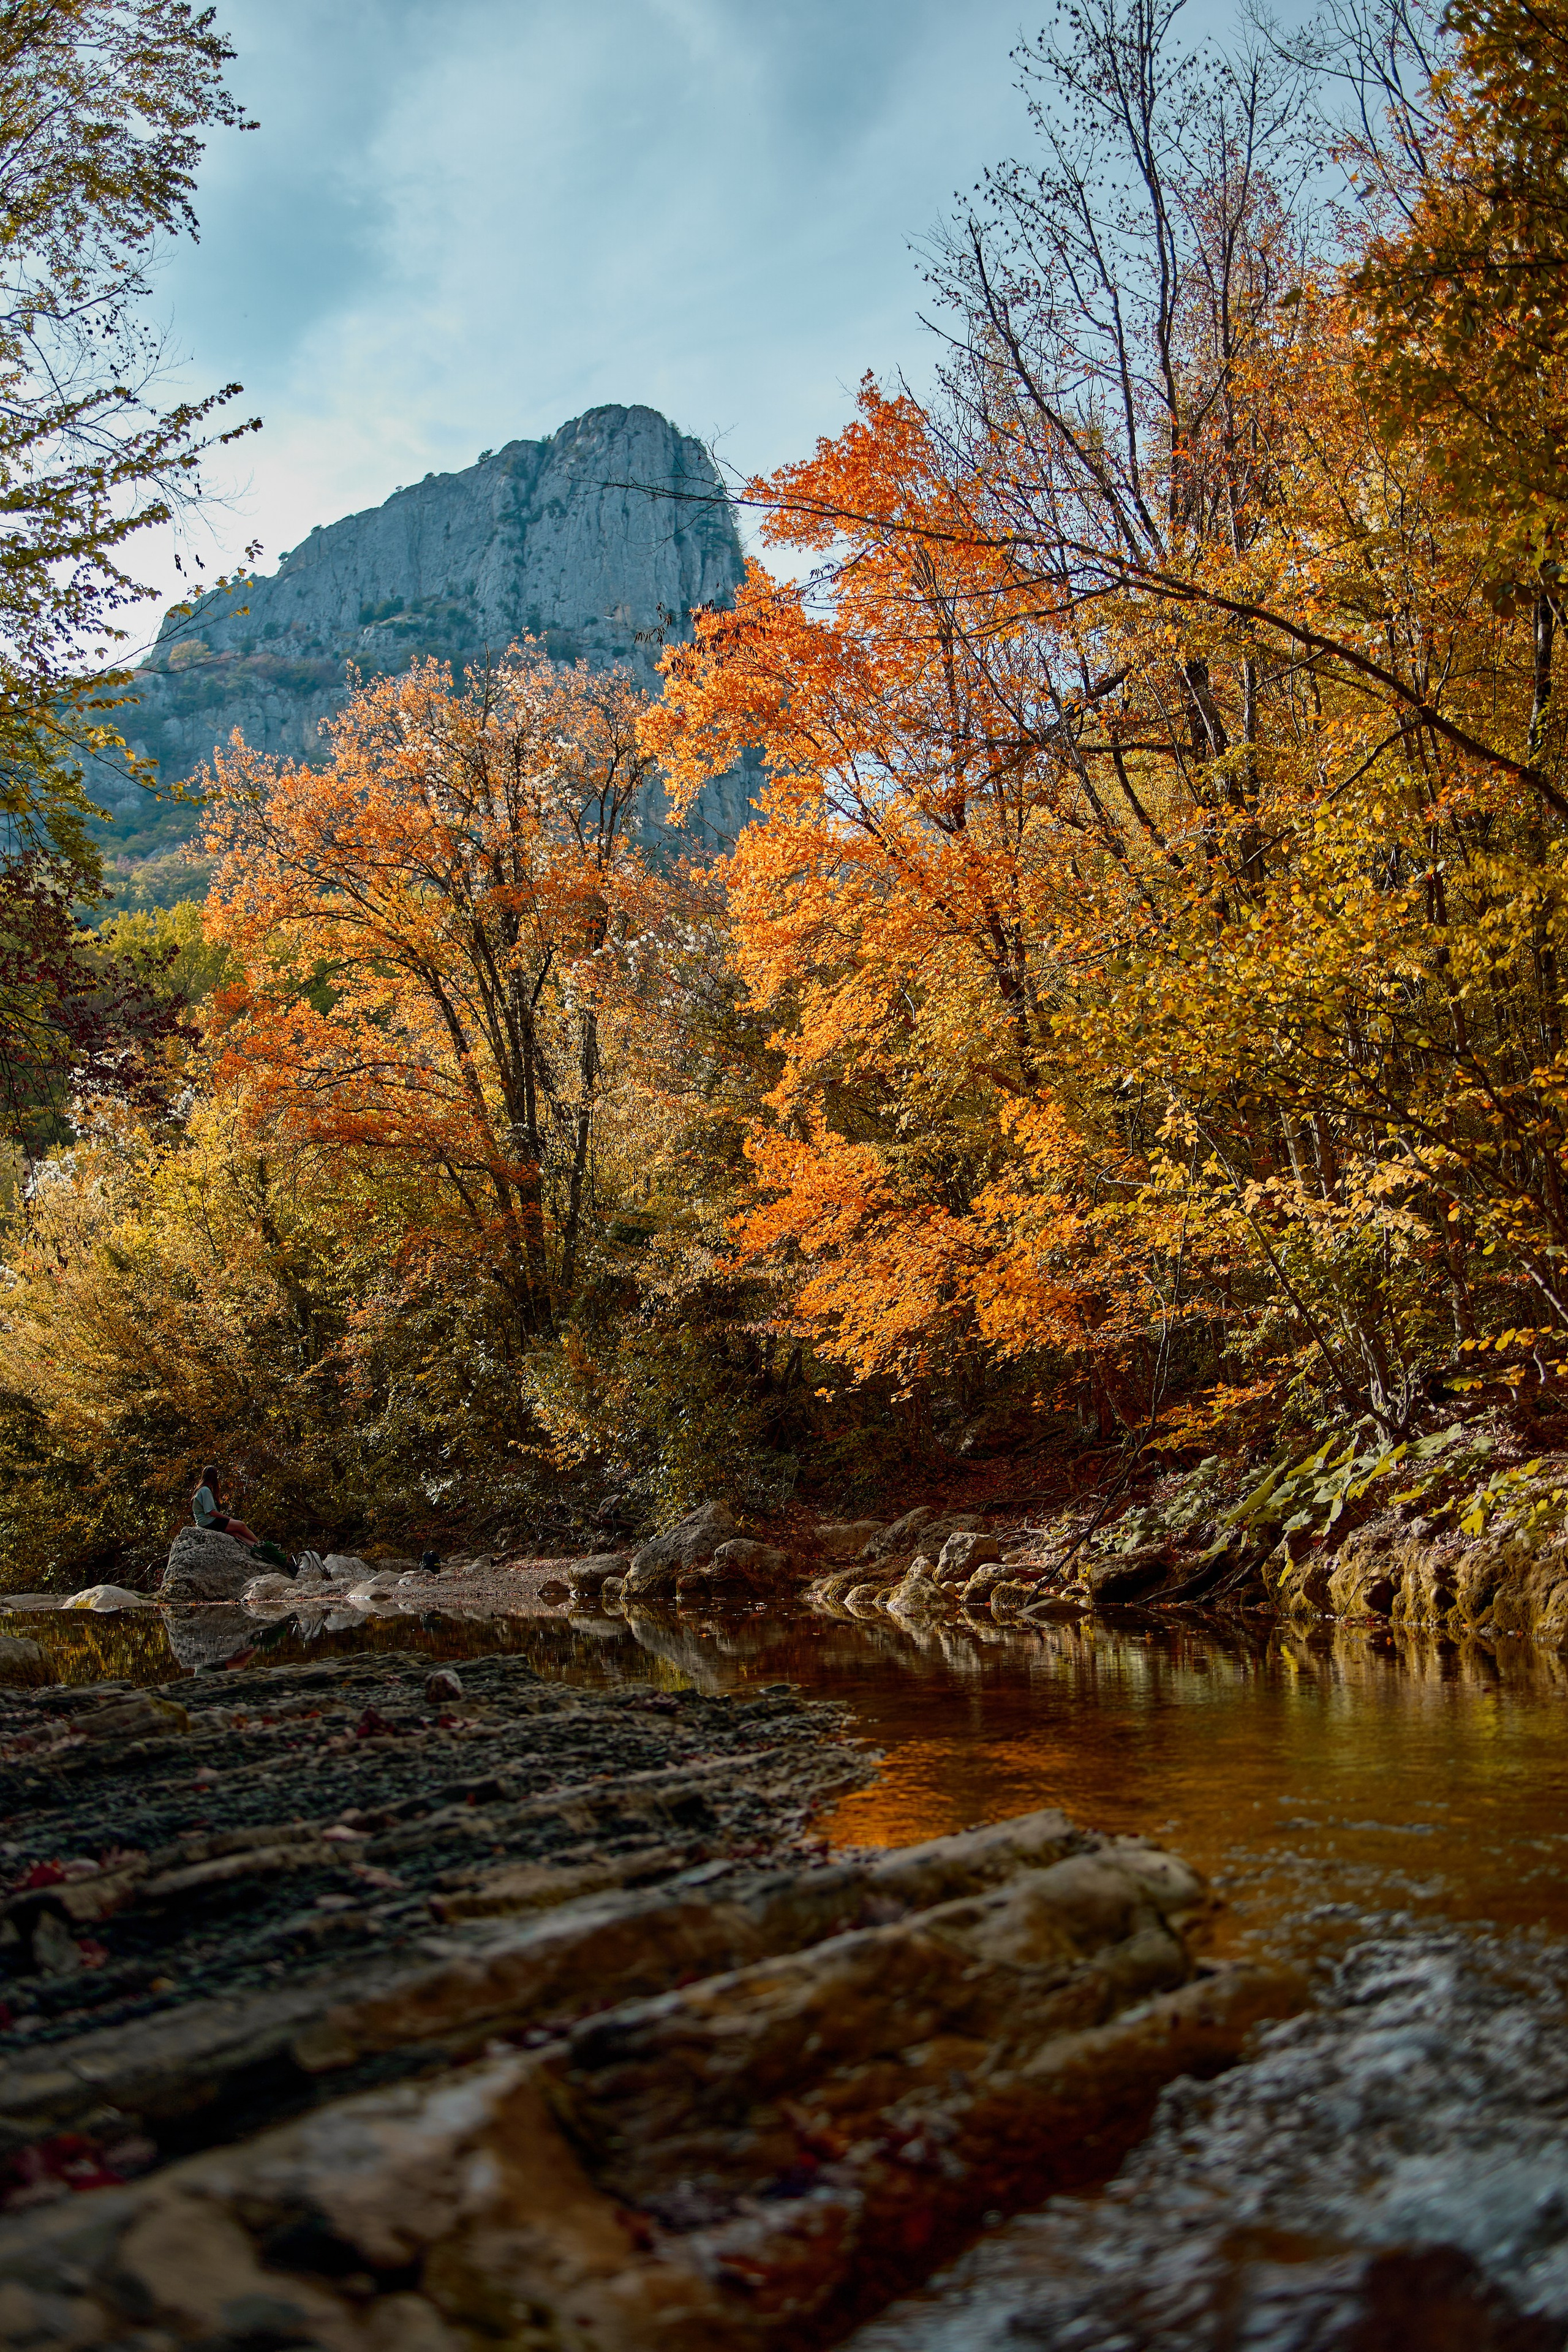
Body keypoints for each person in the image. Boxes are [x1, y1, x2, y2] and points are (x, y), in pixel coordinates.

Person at [192, 1464, 259, 1548]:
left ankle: (255, 1547)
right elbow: (211, 1512)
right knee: (241, 1525)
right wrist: (228, 1518)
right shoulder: (205, 1490)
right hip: (208, 1522)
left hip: (204, 1522)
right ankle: (261, 1544)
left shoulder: (201, 1490)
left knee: (235, 1534)